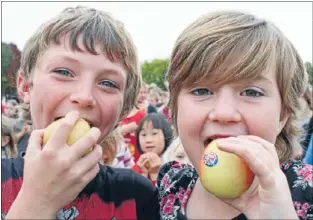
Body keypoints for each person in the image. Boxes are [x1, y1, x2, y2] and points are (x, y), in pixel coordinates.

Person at [1, 6, 160, 220]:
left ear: (123, 109)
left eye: (108, 83)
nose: (85, 97)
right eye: (63, 72)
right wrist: (37, 202)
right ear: (25, 87)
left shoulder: (137, 196)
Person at [157, 11, 313, 220]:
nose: (224, 113)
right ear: (175, 108)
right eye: (202, 91)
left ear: (282, 116)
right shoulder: (170, 184)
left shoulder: (308, 192)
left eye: (251, 92)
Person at [132, 113, 173, 185]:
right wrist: (143, 175)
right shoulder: (136, 168)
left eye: (154, 133)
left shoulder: (174, 167)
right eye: (143, 135)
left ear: (166, 135)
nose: (148, 140)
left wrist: (155, 175)